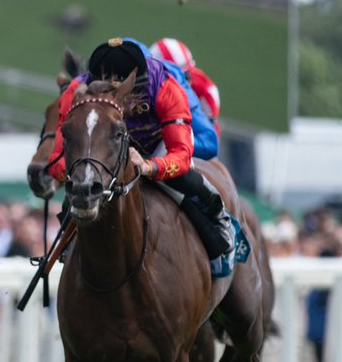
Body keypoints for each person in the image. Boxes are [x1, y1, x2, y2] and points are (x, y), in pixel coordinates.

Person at [46, 37, 236, 278]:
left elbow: (181, 154)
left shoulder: (166, 86)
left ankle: (218, 221)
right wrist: (79, 174)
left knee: (185, 179)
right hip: (108, 145)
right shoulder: (75, 91)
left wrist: (149, 167)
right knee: (77, 188)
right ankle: (66, 247)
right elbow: (56, 159)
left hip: (157, 142)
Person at [150, 37, 220, 136]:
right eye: (175, 78)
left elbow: (209, 139)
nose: (182, 83)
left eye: (185, 76)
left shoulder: (206, 91)